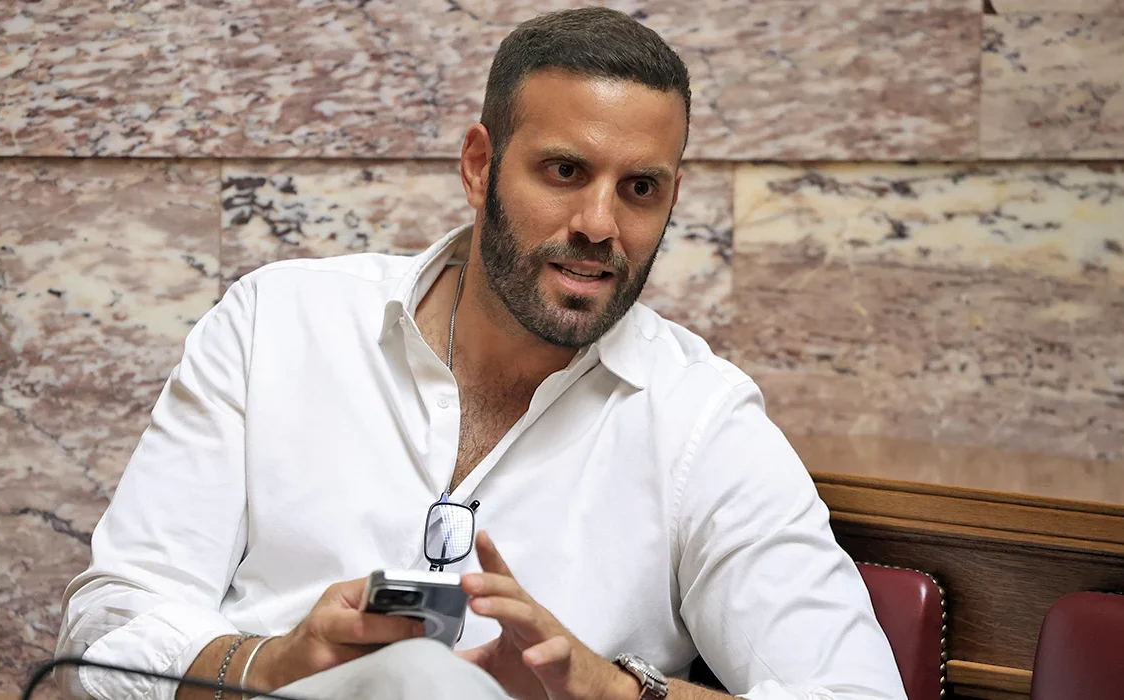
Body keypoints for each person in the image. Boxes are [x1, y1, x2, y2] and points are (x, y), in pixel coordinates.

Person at [56, 7, 907, 700]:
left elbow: (857, 693)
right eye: (564, 171)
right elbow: (107, 632)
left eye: (640, 189)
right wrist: (269, 666)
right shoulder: (275, 324)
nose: (600, 225)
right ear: (478, 166)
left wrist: (614, 692)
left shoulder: (702, 419)